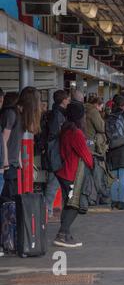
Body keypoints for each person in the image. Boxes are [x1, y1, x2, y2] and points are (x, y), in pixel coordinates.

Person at [54, 102, 94, 248]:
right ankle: (62, 234)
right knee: (74, 205)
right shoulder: (76, 133)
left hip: (63, 172)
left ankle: (66, 233)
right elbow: (85, 154)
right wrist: (93, 164)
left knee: (68, 203)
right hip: (72, 173)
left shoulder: (65, 129)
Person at [0, 88, 41, 198]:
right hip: (6, 165)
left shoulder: (20, 115)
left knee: (11, 199)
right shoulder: (11, 113)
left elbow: (15, 141)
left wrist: (19, 163)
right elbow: (3, 139)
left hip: (12, 164)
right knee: (7, 199)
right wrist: (4, 163)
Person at [44, 90, 71, 219]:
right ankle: (46, 209)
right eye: (67, 99)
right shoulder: (57, 115)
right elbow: (54, 134)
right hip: (55, 152)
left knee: (55, 182)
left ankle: (48, 208)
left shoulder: (58, 113)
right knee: (53, 182)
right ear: (63, 100)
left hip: (56, 152)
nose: (69, 101)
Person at [106, 95, 124, 211]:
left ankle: (113, 201)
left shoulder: (109, 115)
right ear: (123, 105)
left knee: (114, 177)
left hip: (113, 148)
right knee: (123, 176)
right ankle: (121, 202)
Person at [86, 97, 110, 205]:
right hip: (92, 147)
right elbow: (101, 127)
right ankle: (96, 197)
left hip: (84, 143)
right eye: (100, 106)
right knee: (97, 172)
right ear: (96, 104)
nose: (101, 109)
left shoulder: (84, 109)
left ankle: (89, 197)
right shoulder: (93, 111)